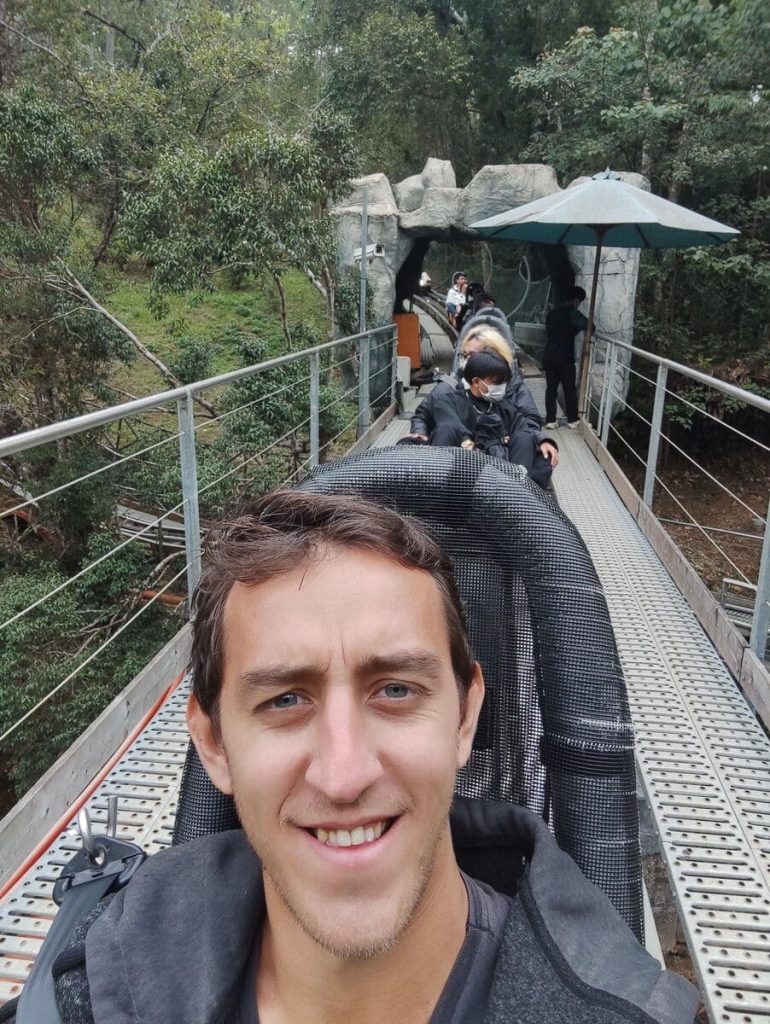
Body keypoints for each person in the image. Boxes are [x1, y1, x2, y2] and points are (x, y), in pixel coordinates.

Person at [7, 488, 698, 1024]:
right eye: (284, 700)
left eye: (396, 689)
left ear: (465, 715)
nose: (344, 776)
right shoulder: (92, 988)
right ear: (214, 743)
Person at [405, 351, 558, 489]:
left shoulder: (504, 407)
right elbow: (452, 426)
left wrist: (543, 441)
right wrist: (471, 443)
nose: (502, 387)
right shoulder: (448, 400)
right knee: (446, 429)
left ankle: (519, 489)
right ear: (476, 382)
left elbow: (523, 429)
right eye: (496, 383)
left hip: (500, 470)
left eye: (504, 382)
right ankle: (438, 491)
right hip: (460, 465)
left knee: (527, 440)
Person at [543, 285, 591, 429]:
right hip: (564, 355)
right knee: (569, 388)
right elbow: (589, 326)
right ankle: (572, 420)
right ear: (576, 300)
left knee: (551, 388)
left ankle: (551, 420)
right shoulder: (573, 313)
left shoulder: (552, 313)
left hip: (549, 353)